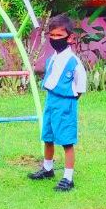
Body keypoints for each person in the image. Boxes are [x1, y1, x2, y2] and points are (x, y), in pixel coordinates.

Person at [28, 15, 87, 192]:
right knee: (48, 136)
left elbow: (80, 86)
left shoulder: (74, 62)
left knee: (66, 140)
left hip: (65, 103)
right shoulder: (52, 58)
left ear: (69, 38)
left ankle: (68, 178)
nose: (55, 39)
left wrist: (69, 101)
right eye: (51, 35)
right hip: (51, 100)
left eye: (59, 35)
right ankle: (47, 168)